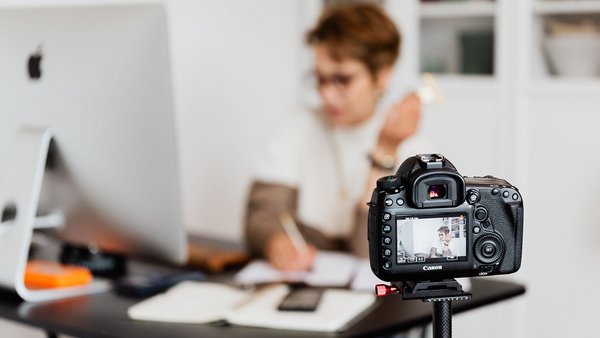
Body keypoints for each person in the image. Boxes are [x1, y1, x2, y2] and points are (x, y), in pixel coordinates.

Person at [245, 3, 435, 271]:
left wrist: (384, 151)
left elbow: (369, 253)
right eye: (320, 79)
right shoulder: (296, 126)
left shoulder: (414, 148)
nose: (327, 95)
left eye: (342, 80)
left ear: (382, 75)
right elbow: (262, 216)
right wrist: (275, 242)